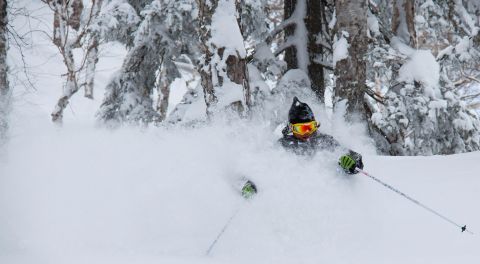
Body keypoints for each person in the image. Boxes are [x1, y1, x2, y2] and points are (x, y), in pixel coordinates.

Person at [278, 97, 364, 173]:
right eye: (302, 129)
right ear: (291, 128)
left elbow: (351, 155)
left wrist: (354, 164)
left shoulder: (324, 141)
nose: (307, 132)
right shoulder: (283, 145)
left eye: (310, 127)